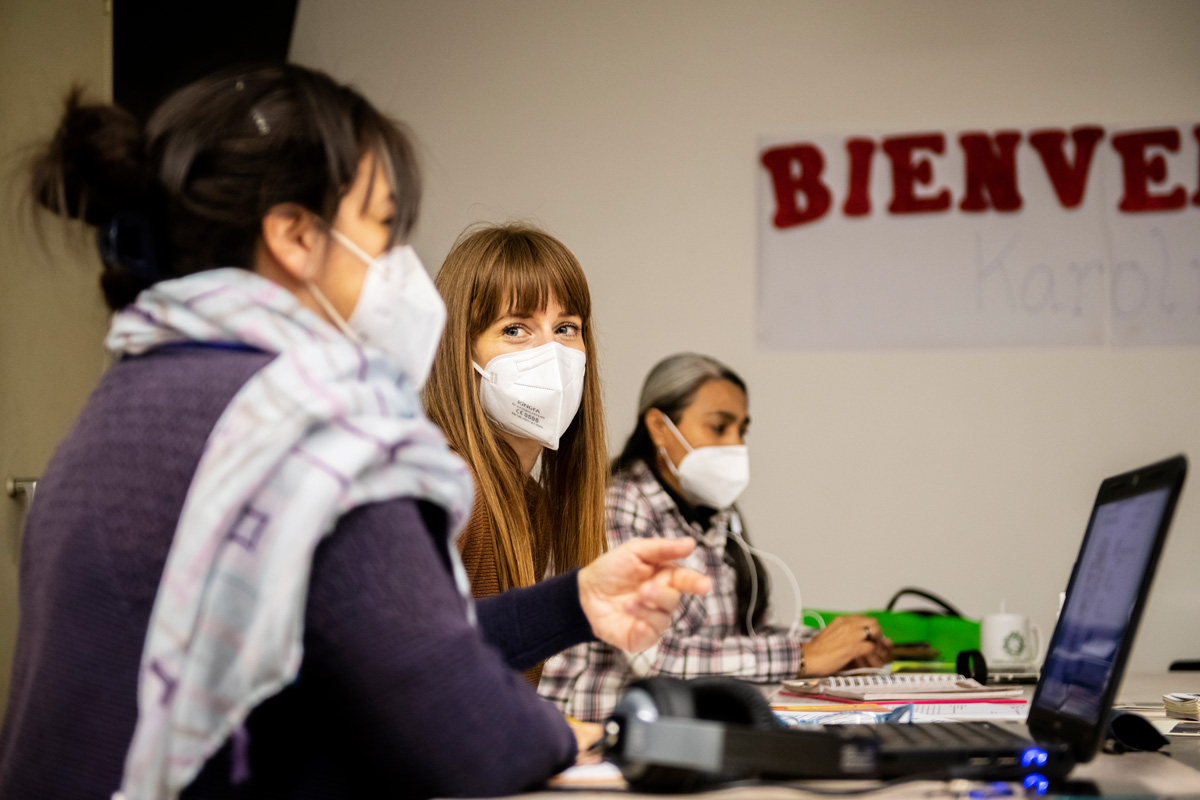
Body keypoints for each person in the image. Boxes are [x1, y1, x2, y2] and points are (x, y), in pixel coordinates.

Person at [0, 65, 710, 800]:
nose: (400, 263)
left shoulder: (125, 400)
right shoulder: (314, 431)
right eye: (383, 226)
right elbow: (468, 736)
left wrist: (571, 605)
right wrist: (574, 736)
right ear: (295, 236)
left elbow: (382, 643)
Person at [539, 353, 890, 722]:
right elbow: (658, 658)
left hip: (691, 722)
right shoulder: (616, 506)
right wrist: (804, 657)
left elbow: (746, 632)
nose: (736, 445)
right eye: (720, 428)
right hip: (601, 732)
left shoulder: (720, 514)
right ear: (659, 427)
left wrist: (841, 647)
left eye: (742, 430)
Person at [423, 224, 607, 685]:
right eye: (515, 329)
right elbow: (405, 663)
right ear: (460, 350)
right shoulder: (445, 481)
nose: (551, 352)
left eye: (566, 328)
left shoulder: (533, 504)